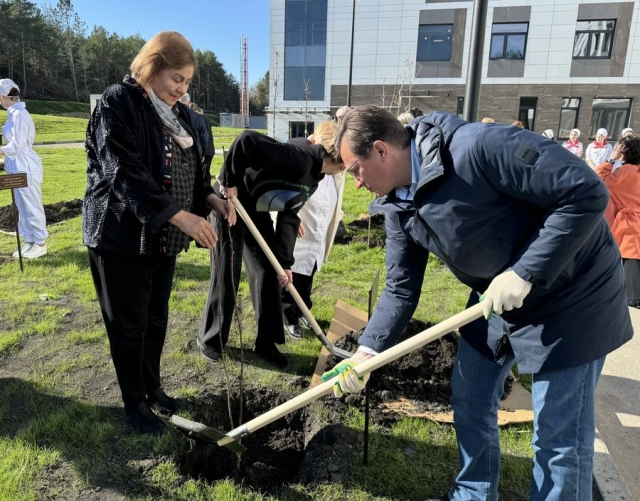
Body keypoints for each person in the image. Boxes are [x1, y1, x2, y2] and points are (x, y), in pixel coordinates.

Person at [322, 105, 632, 501]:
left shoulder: (479, 148)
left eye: (354, 171)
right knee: (470, 396)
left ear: (381, 150)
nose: (357, 184)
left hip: (572, 295)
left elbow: (586, 191)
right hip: (496, 296)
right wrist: (366, 353)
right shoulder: (398, 205)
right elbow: (401, 288)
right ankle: (474, 492)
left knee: (558, 438)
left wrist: (526, 271)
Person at [83, 31, 228, 435]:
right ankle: (135, 403)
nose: (181, 90)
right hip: (119, 237)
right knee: (128, 326)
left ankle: (152, 387)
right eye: (176, 79)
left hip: (161, 241)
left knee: (156, 318)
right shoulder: (119, 103)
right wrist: (179, 216)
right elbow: (122, 172)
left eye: (187, 82)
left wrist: (211, 199)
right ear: (152, 67)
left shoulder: (182, 116)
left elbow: (194, 172)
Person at [197, 128, 344, 369]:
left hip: (256, 210)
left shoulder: (316, 177)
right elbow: (247, 140)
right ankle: (211, 338)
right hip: (229, 203)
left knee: (268, 272)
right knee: (227, 272)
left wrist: (284, 263)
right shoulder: (301, 158)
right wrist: (228, 181)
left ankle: (266, 343)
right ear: (340, 162)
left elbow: (289, 215)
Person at [281, 121, 345, 338]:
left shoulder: (335, 169)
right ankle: (288, 316)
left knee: (309, 272)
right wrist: (293, 216)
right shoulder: (301, 159)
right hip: (300, 226)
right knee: (293, 274)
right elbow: (285, 196)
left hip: (319, 226)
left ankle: (303, 310)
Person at [0, 78, 48, 259]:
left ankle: (40, 243)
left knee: (32, 205)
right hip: (16, 166)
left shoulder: (20, 115)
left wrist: (1, 150)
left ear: (3, 96)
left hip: (26, 166)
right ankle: (29, 241)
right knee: (22, 205)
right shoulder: (14, 114)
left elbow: (17, 144)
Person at [596, 134, 640, 308]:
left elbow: (600, 179)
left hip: (629, 219)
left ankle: (633, 296)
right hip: (633, 216)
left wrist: (610, 159)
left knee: (629, 255)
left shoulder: (623, 172)